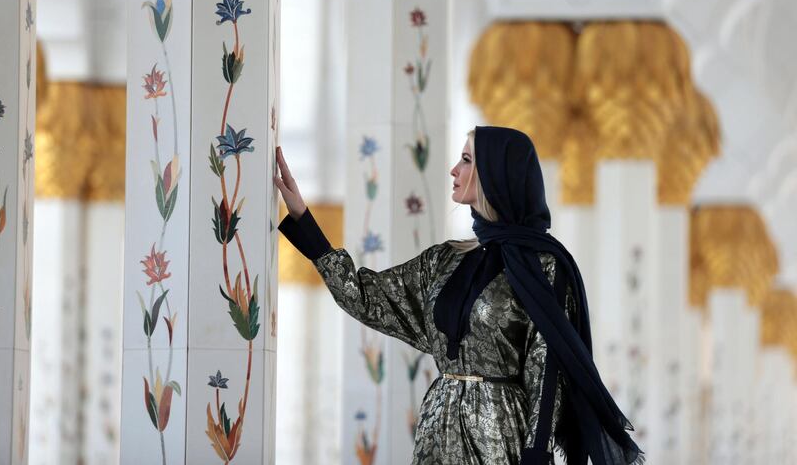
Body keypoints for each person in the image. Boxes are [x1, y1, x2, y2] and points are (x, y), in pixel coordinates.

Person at [274, 125, 644, 465]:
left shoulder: (544, 266)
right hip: (438, 427)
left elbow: (545, 372)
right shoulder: (445, 259)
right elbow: (366, 297)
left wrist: (537, 453)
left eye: (466, 160)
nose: (453, 169)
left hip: (499, 436)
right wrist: (305, 221)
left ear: (497, 175)